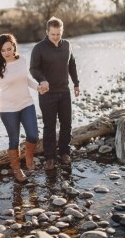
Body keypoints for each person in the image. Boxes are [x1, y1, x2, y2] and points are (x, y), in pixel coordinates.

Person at [0, 33, 43, 182]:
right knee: (14, 139)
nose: (6, 53)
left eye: (9, 49)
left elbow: (25, 79)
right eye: (3, 50)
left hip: (26, 103)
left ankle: (29, 156)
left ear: (14, 47)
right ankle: (17, 170)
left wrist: (37, 87)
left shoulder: (22, 60)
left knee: (33, 135)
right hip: (8, 109)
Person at [30, 16, 80, 170]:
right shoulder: (39, 48)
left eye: (59, 34)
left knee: (67, 124)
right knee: (49, 126)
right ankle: (50, 157)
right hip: (47, 94)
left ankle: (65, 152)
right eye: (53, 34)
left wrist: (76, 83)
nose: (56, 37)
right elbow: (33, 69)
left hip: (64, 91)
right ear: (47, 32)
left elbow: (71, 64)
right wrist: (42, 80)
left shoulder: (67, 45)